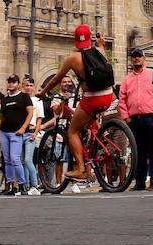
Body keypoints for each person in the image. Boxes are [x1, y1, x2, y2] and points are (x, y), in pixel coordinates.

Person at [38, 24, 116, 183]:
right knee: (87, 125)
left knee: (72, 131)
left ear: (75, 40)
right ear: (90, 38)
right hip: (108, 96)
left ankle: (81, 169)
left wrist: (43, 92)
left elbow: (56, 79)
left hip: (92, 98)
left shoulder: (73, 58)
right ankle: (93, 147)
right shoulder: (99, 51)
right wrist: (100, 44)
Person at [118, 47, 153, 190]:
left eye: (139, 56)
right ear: (131, 59)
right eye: (134, 56)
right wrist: (126, 117)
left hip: (151, 118)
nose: (136, 59)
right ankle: (140, 183)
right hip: (134, 120)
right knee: (138, 152)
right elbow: (122, 99)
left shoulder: (152, 74)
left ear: (144, 58)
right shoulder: (127, 79)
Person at [0, 75, 32, 196]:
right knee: (7, 160)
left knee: (15, 159)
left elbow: (30, 113)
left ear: (18, 84)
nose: (11, 84)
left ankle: (22, 185)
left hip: (16, 132)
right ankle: (11, 185)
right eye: (9, 82)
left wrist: (23, 128)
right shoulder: (5, 99)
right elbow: (0, 119)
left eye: (13, 82)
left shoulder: (24, 97)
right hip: (4, 132)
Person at [21, 79, 43, 194]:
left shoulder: (37, 101)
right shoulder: (20, 99)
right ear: (22, 86)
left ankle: (35, 184)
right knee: (22, 161)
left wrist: (35, 132)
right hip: (20, 133)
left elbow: (40, 118)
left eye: (30, 85)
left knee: (28, 159)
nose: (28, 87)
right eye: (26, 85)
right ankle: (26, 186)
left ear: (33, 87)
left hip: (31, 131)